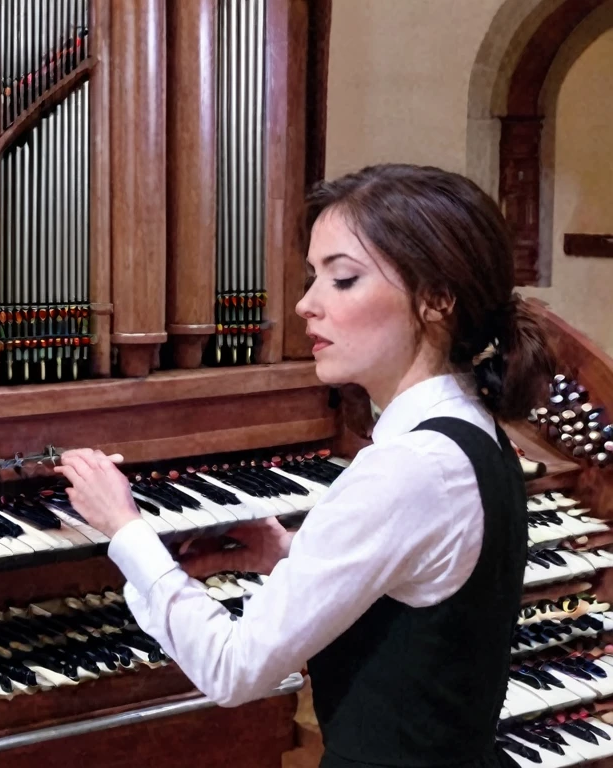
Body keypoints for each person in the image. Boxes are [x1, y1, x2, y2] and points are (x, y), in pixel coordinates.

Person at [54, 163, 553, 768]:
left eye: (342, 279)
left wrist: (123, 526)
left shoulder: (408, 467)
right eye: (311, 277)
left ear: (437, 299)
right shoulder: (472, 433)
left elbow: (231, 668)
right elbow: (427, 588)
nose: (304, 305)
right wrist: (290, 556)